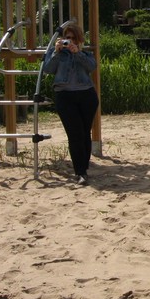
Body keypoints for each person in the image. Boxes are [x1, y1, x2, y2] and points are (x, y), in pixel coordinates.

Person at [42, 21, 100, 185]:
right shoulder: (57, 53)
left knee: (84, 133)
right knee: (75, 134)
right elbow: (47, 69)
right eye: (68, 38)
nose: (70, 41)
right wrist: (57, 52)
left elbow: (92, 66)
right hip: (65, 96)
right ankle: (80, 171)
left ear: (79, 40)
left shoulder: (85, 54)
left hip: (86, 95)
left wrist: (77, 53)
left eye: (74, 39)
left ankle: (84, 168)